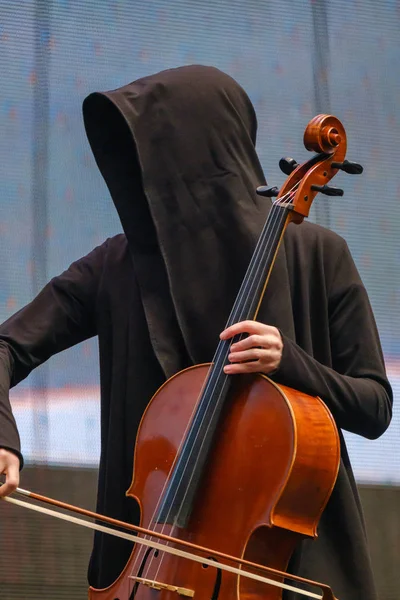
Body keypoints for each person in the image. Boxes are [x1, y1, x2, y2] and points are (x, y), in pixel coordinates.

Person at [0, 65, 392, 599]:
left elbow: (374, 407)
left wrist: (290, 361)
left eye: (160, 156)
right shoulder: (115, 267)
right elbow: (6, 345)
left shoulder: (318, 256)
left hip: (288, 573)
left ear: (212, 157)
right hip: (146, 572)